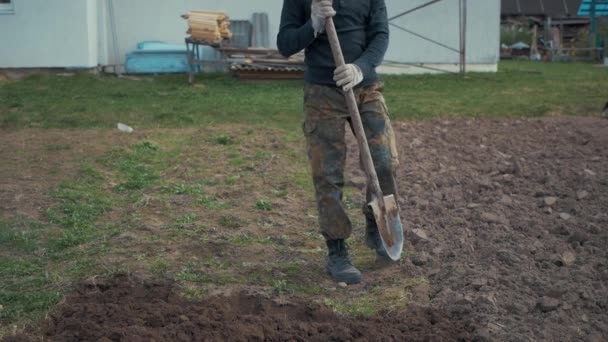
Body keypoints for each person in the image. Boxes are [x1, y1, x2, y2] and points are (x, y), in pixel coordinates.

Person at [277, 0, 399, 284]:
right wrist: (314, 26)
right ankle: (337, 249)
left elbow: (380, 34)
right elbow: (285, 44)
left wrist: (361, 67)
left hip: (365, 87)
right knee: (328, 174)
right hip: (322, 92)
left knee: (384, 161)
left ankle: (376, 219)